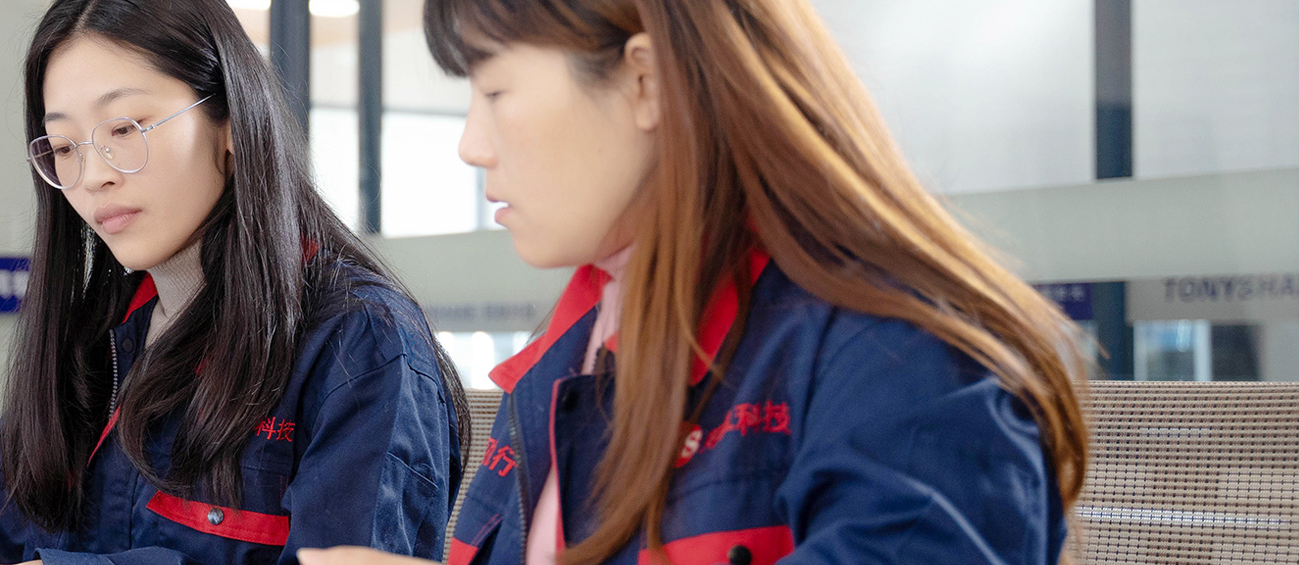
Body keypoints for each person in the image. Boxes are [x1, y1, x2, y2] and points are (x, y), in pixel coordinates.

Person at [302, 1, 1088, 564]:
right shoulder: (562, 366)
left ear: (645, 81)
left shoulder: (899, 352)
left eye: (496, 92)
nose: (472, 145)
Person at [0, 1, 470, 564]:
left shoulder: (358, 342)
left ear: (230, 122)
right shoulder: (103, 335)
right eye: (63, 148)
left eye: (125, 128)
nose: (94, 175)